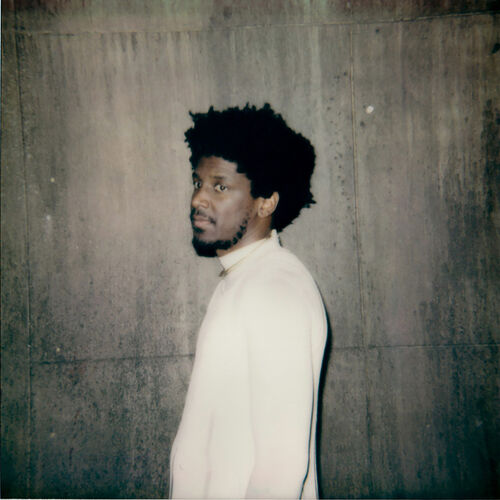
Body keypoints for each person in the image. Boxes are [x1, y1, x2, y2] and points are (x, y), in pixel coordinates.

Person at [170, 104, 327, 499]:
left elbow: (281, 469)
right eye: (198, 182)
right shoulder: (246, 279)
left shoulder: (274, 289)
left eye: (219, 186)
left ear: (266, 202)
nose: (198, 198)